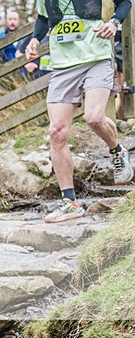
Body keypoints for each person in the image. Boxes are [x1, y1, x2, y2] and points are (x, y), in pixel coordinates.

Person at [25, 0, 133, 222]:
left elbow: (124, 2)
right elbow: (43, 18)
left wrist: (114, 22)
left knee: (93, 118)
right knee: (56, 133)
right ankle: (70, 203)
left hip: (96, 57)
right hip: (62, 65)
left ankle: (117, 151)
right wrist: (35, 39)